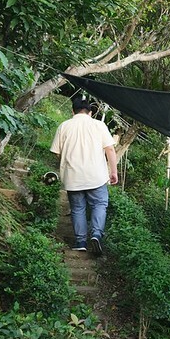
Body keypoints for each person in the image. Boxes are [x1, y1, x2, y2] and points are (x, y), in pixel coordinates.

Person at [50, 95, 118, 255]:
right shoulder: (99, 125)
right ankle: (96, 234)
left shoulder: (64, 126)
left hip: (72, 177)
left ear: (72, 111)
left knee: (78, 209)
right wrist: (113, 171)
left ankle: (80, 242)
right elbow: (110, 149)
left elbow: (56, 153)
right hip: (96, 176)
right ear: (90, 112)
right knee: (99, 205)